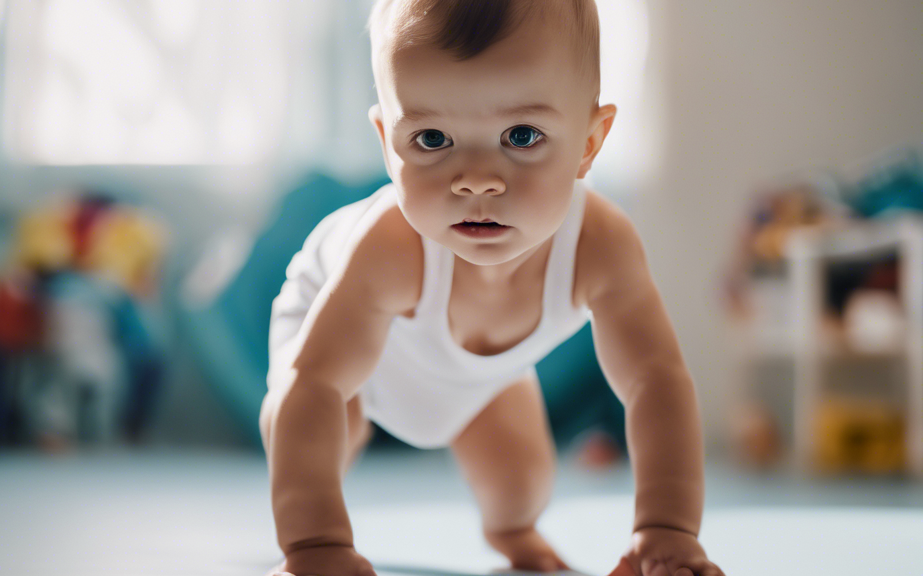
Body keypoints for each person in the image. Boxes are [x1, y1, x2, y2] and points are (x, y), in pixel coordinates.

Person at [260, 1, 725, 575]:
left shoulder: (600, 246)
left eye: (521, 135)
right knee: (315, 422)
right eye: (431, 139)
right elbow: (317, 381)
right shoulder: (390, 250)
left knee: (524, 481)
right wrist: (316, 546)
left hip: (480, 377)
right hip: (332, 335)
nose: (476, 179)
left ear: (588, 142)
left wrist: (666, 529)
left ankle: (513, 532)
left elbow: (656, 380)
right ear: (388, 142)